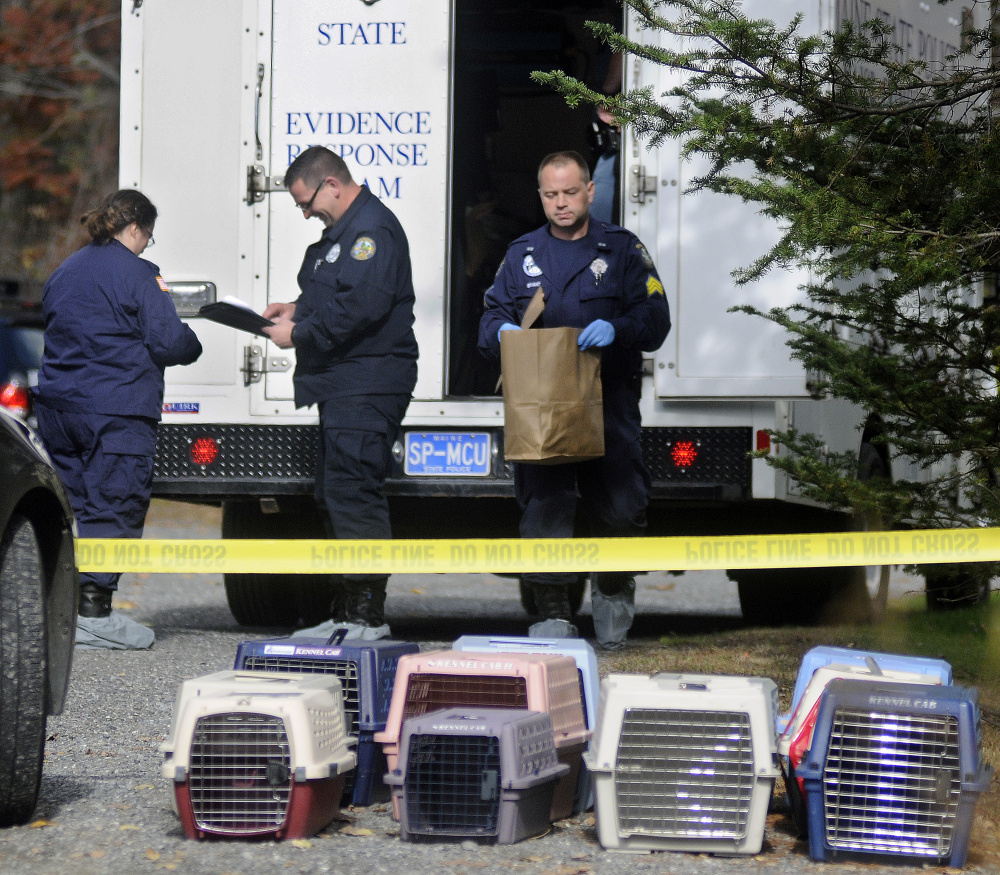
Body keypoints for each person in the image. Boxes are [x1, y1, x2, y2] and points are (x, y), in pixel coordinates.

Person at [478, 151, 670, 650]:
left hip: (608, 403)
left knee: (621, 509)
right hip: (544, 409)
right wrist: (499, 332)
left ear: (589, 191)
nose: (561, 203)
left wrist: (619, 328)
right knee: (545, 511)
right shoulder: (521, 255)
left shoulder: (623, 250)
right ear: (540, 196)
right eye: (550, 194)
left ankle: (612, 589)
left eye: (570, 192)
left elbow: (655, 320)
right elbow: (489, 316)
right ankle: (553, 616)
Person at [34, 189, 203, 649]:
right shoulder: (139, 275)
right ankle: (94, 614)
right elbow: (169, 343)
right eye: (149, 235)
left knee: (77, 508)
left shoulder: (64, 270)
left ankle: (64, 610)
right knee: (116, 505)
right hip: (115, 412)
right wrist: (193, 341)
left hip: (58, 410)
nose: (149, 244)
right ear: (135, 228)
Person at [263, 146, 418, 640]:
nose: (306, 213)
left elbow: (362, 307)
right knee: (334, 493)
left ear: (332, 183)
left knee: (354, 490)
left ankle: (366, 615)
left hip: (368, 379)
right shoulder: (344, 234)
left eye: (306, 202)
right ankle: (344, 610)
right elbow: (335, 295)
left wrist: (300, 333)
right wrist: (294, 309)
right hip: (343, 381)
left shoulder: (372, 230)